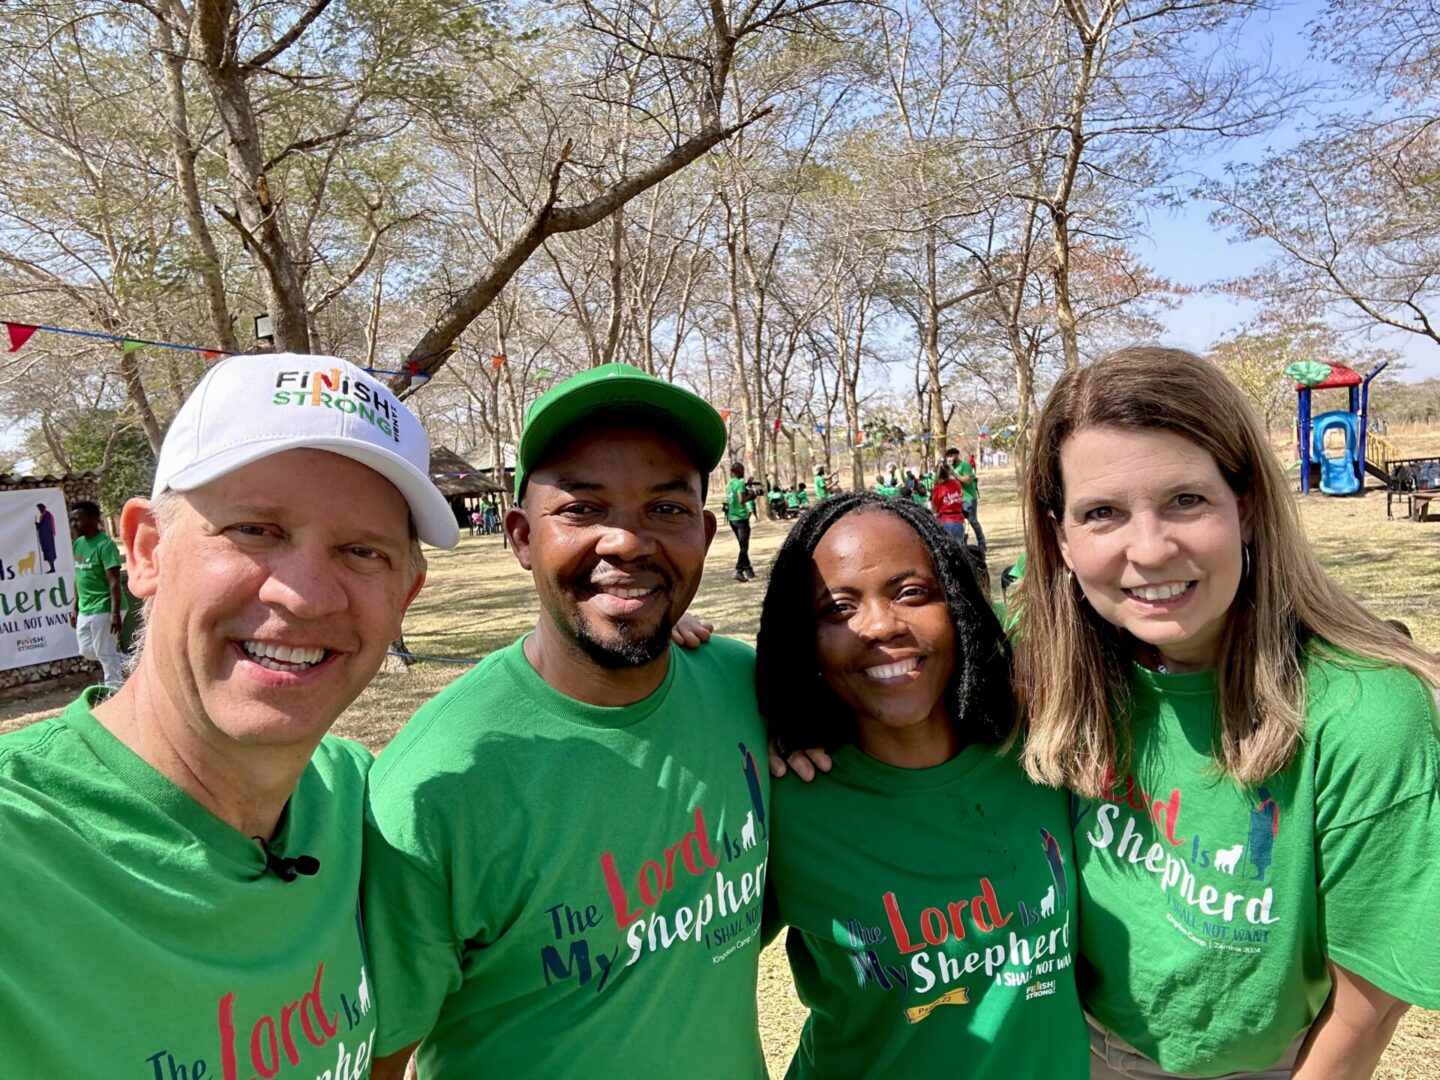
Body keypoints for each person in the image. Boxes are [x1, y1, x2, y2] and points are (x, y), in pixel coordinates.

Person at [0, 352, 455, 1074]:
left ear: (404, 596)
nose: (305, 595)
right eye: (255, 530)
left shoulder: (361, 803)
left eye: (361, 550)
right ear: (145, 551)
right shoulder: (19, 851)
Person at [1015, 346, 1440, 1079]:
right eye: (1103, 513)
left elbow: (1367, 1004)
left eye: (1186, 500)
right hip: (1064, 1039)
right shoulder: (1036, 656)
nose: (1148, 550)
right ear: (1060, 538)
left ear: (1245, 507)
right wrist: (793, 736)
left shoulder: (1364, 713)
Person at [363, 362, 770, 1079]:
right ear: (522, 537)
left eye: (665, 509)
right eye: (582, 509)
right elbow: (378, 1059)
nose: (627, 542)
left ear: (706, 533)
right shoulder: (436, 785)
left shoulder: (746, 689)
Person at [758, 492, 1087, 1077]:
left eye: (911, 593)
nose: (880, 626)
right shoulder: (785, 803)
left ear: (957, 604)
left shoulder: (1041, 750)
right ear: (802, 637)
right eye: (837, 609)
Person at [69, 499, 126, 687]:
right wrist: (74, 607)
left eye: (77, 519)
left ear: (93, 519)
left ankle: (114, 689)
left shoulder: (105, 545)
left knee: (104, 652)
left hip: (104, 606)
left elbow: (114, 581)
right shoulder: (78, 544)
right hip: (86, 609)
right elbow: (78, 576)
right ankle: (129, 661)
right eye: (72, 520)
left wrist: (114, 613)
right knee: (87, 650)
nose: (74, 524)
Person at [725, 460, 757, 582]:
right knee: (744, 547)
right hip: (741, 518)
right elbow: (741, 500)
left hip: (732, 518)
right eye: (742, 471)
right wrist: (752, 496)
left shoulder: (729, 484)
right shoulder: (739, 484)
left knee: (742, 545)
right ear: (739, 472)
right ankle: (738, 570)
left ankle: (749, 570)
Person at [930, 464, 966, 543]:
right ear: (949, 472)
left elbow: (934, 508)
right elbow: (961, 497)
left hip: (945, 521)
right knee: (959, 547)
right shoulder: (957, 484)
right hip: (959, 520)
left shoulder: (939, 488)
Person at [34, 501, 58, 573]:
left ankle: (52, 568)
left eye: (39, 508)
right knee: (47, 552)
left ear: (42, 508)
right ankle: (52, 568)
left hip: (47, 537)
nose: (39, 510)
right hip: (46, 537)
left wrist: (38, 525)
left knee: (49, 552)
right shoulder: (44, 515)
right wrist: (39, 525)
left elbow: (45, 526)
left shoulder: (47, 515)